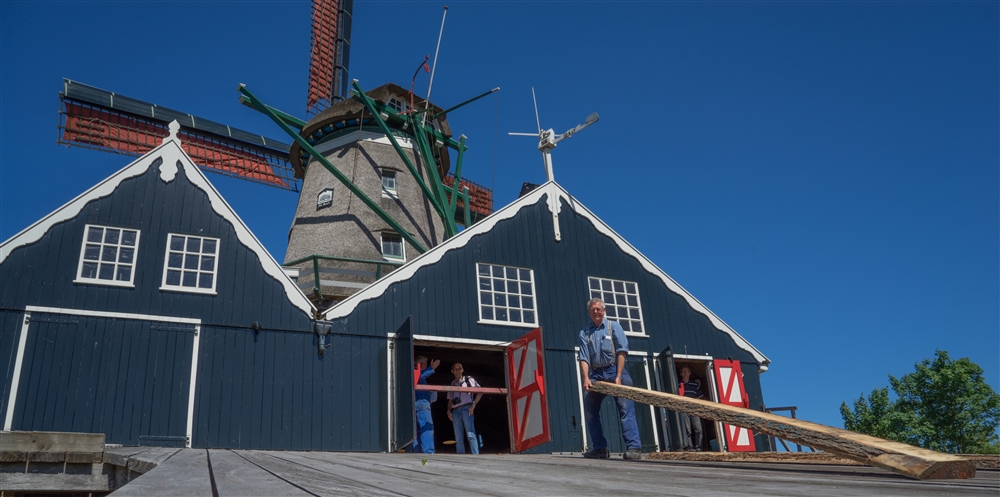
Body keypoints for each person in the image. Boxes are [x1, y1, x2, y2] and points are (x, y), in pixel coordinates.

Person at [578, 298, 642, 460]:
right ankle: (600, 448)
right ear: (589, 312)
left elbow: (622, 351)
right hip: (597, 374)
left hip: (615, 370)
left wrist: (619, 376)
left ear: (604, 310)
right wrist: (586, 378)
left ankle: (634, 448)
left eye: (599, 309)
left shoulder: (614, 327)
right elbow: (584, 358)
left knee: (625, 408)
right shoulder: (584, 333)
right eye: (593, 309)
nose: (596, 312)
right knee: (590, 408)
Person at [447, 362, 483, 454]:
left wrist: (474, 404)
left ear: (462, 370)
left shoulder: (468, 379)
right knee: (458, 437)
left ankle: (475, 456)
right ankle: (461, 458)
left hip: (466, 408)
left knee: (470, 434)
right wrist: (448, 411)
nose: (458, 371)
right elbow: (450, 400)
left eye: (459, 368)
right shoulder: (452, 384)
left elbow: (480, 391)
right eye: (455, 369)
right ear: (452, 371)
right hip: (455, 411)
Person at [413, 356, 440, 454]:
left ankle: (417, 452)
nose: (427, 364)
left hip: (417, 403)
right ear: (422, 364)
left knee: (416, 430)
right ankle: (428, 452)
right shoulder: (416, 371)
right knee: (426, 427)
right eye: (426, 363)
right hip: (421, 403)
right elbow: (419, 375)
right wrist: (431, 368)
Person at [678, 365, 705, 451]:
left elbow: (702, 398)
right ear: (681, 374)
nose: (685, 373)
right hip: (683, 409)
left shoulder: (694, 385)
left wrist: (704, 408)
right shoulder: (678, 384)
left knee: (698, 429)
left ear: (690, 373)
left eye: (687, 372)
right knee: (687, 430)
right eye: (684, 372)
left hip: (694, 409)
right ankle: (690, 447)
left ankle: (699, 447)